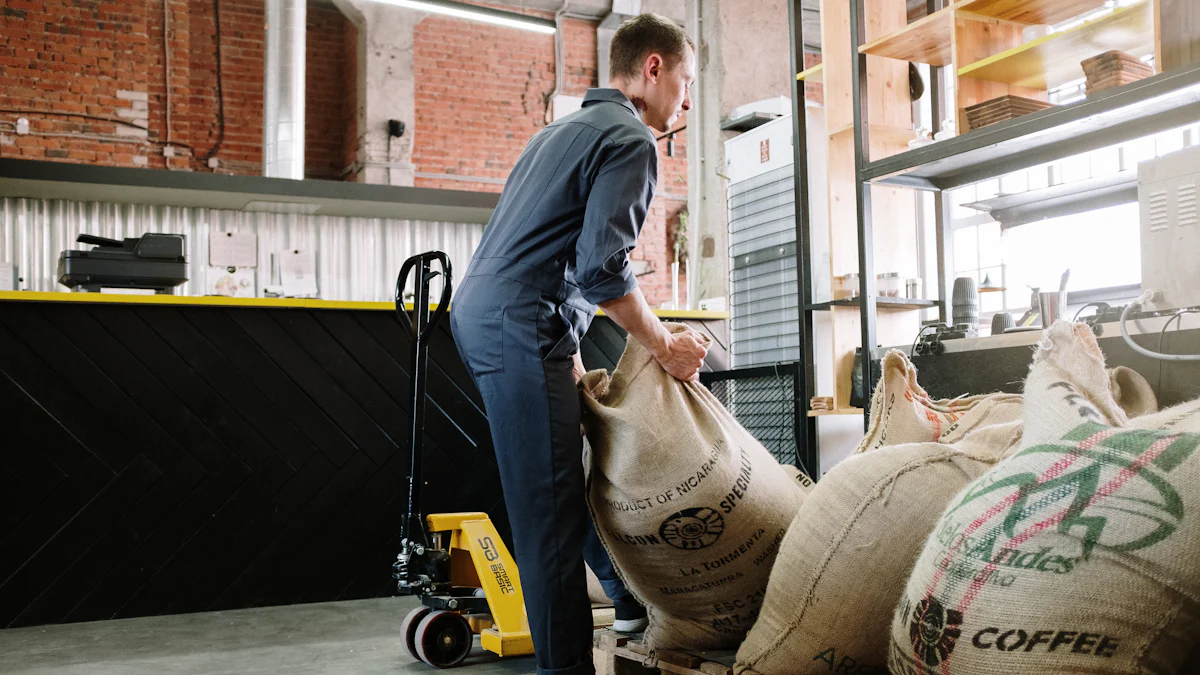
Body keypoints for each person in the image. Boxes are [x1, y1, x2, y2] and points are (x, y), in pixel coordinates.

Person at [449, 13, 707, 675]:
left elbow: (549, 250)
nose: (686, 98)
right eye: (685, 79)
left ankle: (624, 601)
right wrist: (662, 345)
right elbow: (602, 269)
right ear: (653, 68)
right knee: (548, 516)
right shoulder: (630, 138)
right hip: (518, 320)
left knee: (567, 478)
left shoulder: (559, 131)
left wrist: (562, 343)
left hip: (500, 314)